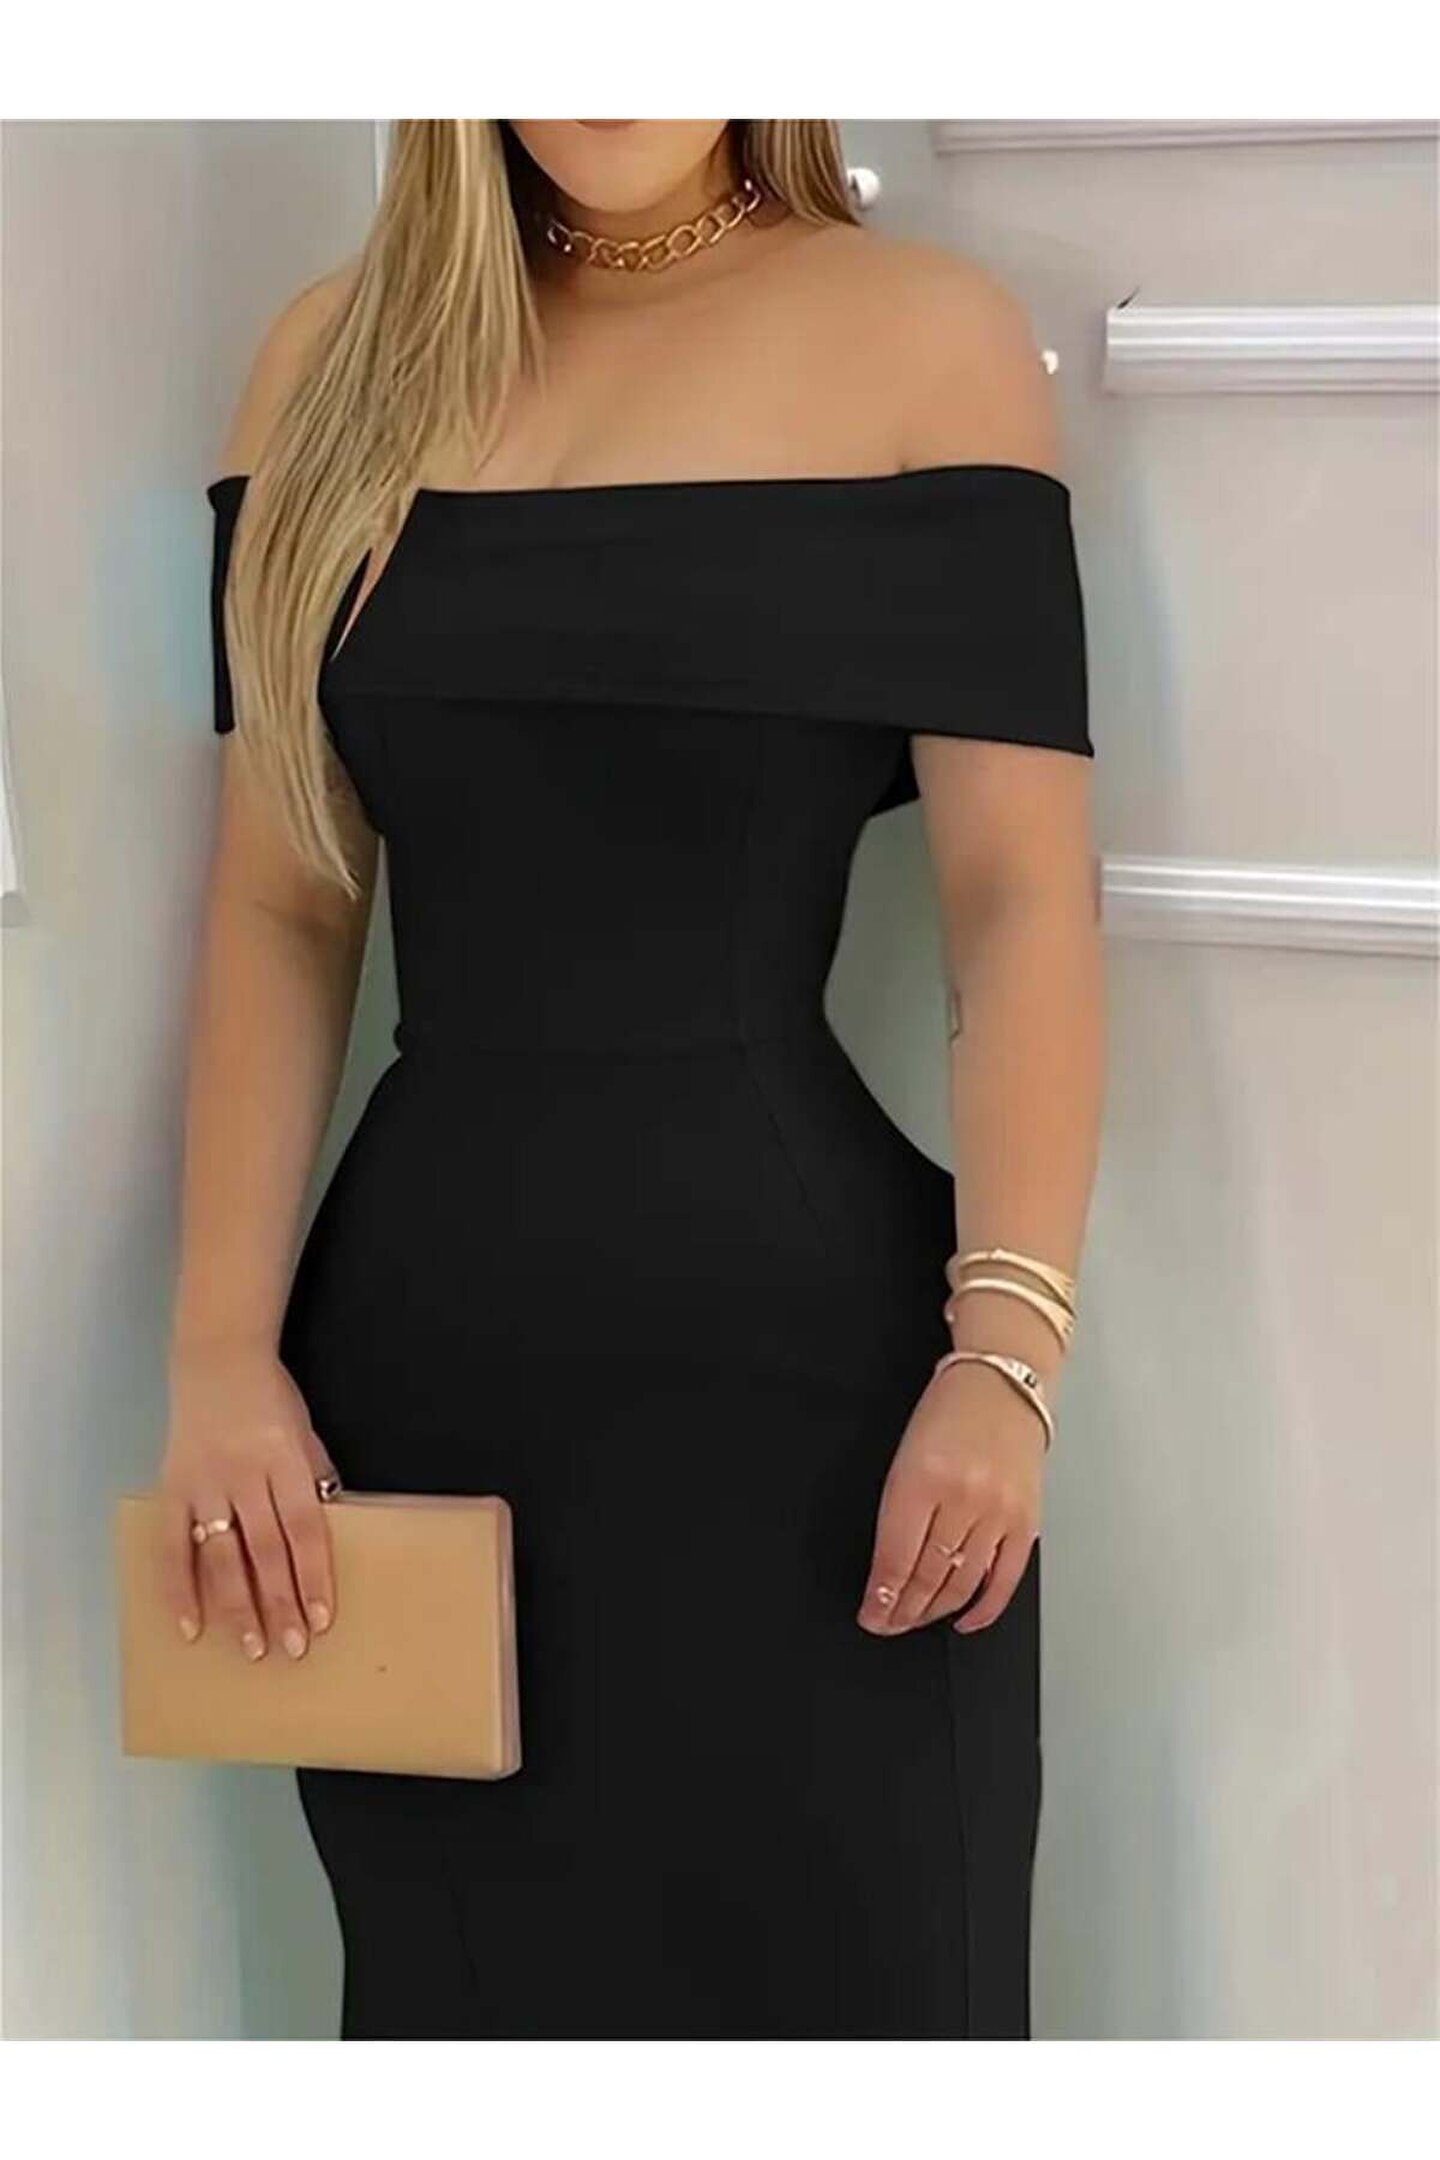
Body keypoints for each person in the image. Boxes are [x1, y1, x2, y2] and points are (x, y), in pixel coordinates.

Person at [163, 118, 1104, 2040]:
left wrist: (1008, 1355)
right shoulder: (323, 362)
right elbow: (283, 904)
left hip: (826, 1412)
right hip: (417, 1390)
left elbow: (1020, 903)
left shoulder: (927, 338)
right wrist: (215, 1355)